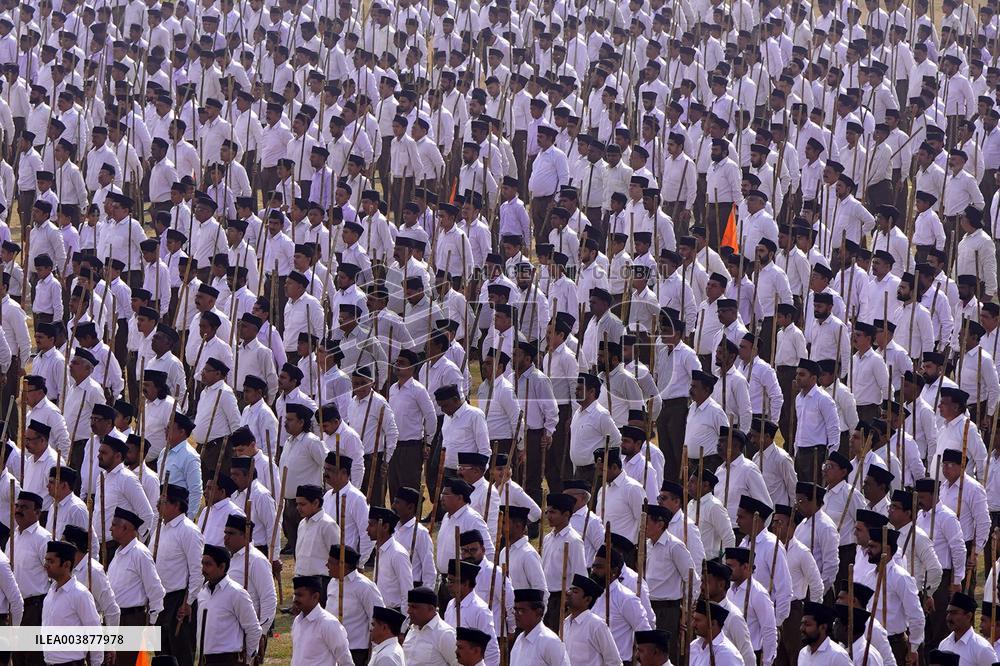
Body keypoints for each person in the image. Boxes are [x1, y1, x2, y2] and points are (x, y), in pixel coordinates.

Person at [196, 544, 263, 666]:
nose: (203, 569)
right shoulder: (202, 593)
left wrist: (247, 660)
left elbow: (254, 629)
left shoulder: (236, 593)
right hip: (205, 659)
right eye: (203, 563)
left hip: (228, 660)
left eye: (208, 564)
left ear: (222, 567)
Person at [289, 575, 352, 666]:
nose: (295, 600)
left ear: (315, 596)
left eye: (300, 595)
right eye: (295, 595)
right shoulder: (297, 621)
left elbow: (345, 660)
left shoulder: (328, 623)